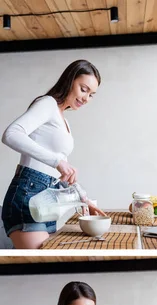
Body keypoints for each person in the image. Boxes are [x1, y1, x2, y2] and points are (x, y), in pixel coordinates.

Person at [1, 60, 106, 249]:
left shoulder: (63, 120)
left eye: (91, 95)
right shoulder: (47, 104)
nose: (86, 98)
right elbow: (11, 134)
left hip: (47, 202)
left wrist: (84, 200)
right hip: (28, 195)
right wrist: (57, 161)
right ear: (70, 80)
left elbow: (62, 171)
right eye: (83, 89)